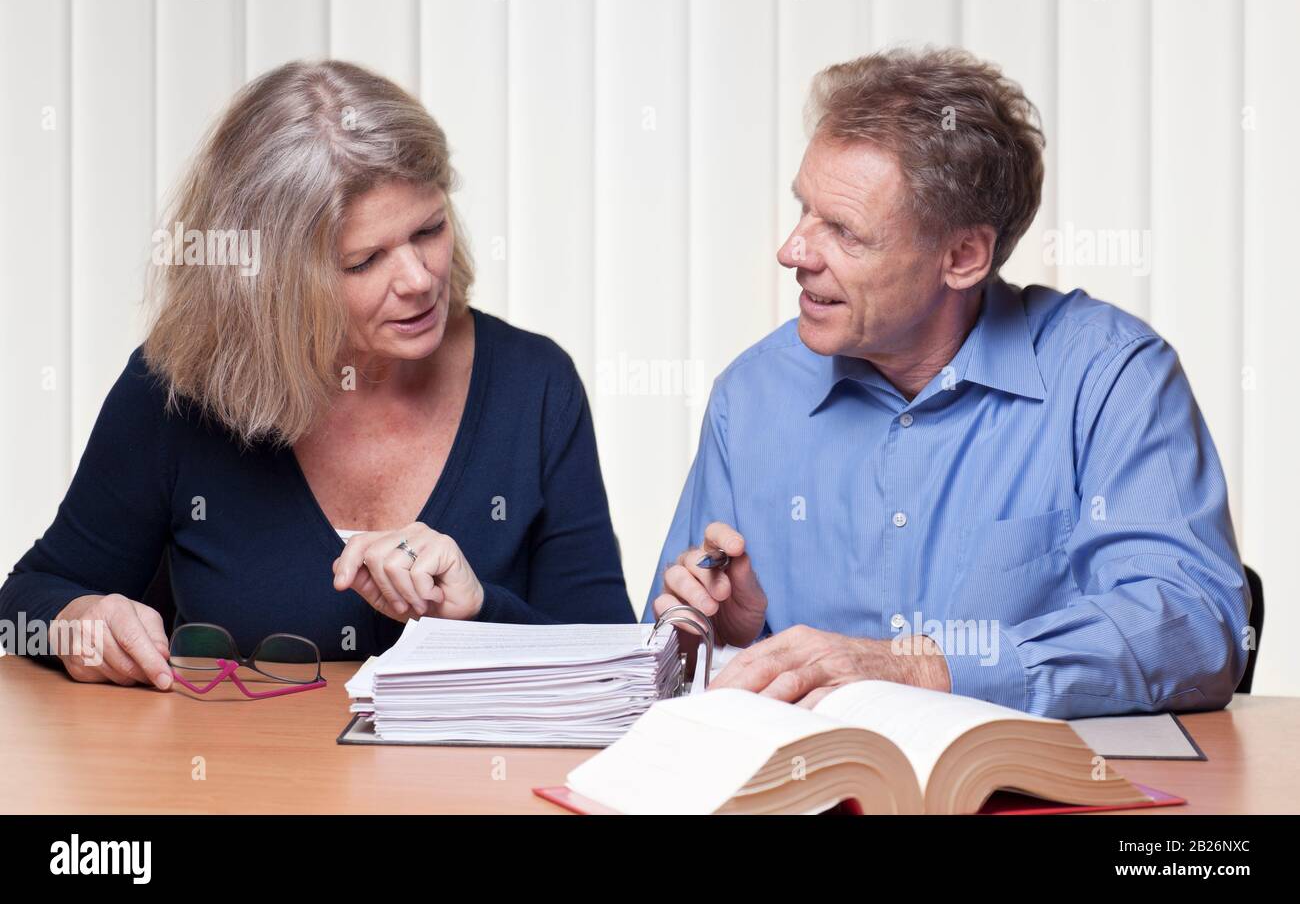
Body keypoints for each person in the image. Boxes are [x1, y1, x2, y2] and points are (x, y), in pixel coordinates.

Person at [646, 47, 1249, 719]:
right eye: (804, 210)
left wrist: (915, 666)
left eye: (844, 231)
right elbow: (662, 666)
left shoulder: (1110, 375)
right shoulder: (751, 396)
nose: (794, 250)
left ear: (962, 257)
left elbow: (1193, 628)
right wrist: (729, 635)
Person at [0, 59, 633, 690]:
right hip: (237, 786)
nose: (418, 279)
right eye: (363, 261)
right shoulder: (177, 390)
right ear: (271, 284)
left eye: (429, 229)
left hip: (469, 790)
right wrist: (78, 624)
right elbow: (21, 606)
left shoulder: (535, 384)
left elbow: (615, 664)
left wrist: (477, 612)